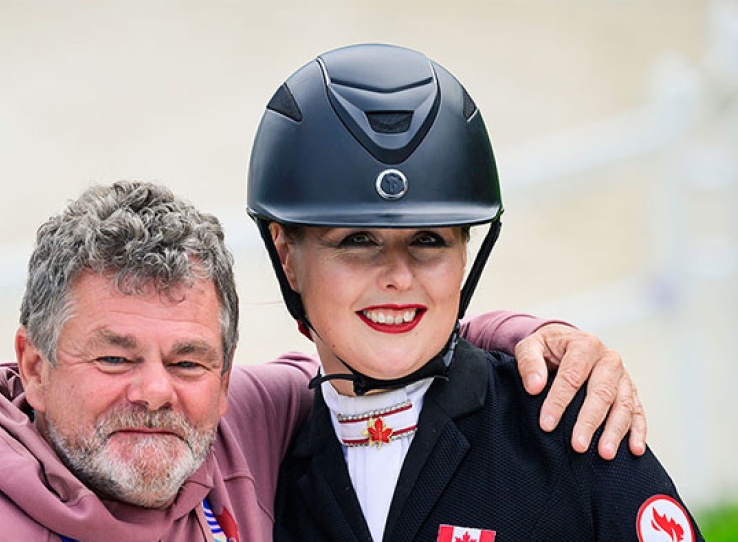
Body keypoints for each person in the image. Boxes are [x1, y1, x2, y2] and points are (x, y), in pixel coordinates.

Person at [0, 180, 646, 542]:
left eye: (187, 359)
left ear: (224, 368)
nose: (154, 392)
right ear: (31, 366)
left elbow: (362, 349)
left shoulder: (238, 420)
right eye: (112, 356)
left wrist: (525, 335)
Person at [247, 43, 701, 541]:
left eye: (429, 240)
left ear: (466, 252)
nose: (399, 276)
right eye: (358, 241)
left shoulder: (570, 435)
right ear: (287, 257)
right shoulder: (268, 479)